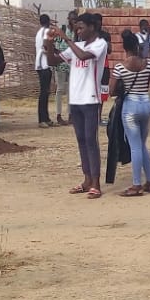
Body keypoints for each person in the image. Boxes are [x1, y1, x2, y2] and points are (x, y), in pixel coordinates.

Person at [43, 13, 109, 198]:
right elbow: (53, 61)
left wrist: (66, 38)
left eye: (81, 28)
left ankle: (96, 182)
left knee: (91, 140)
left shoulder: (100, 44)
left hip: (90, 99)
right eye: (76, 28)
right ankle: (87, 180)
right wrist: (49, 43)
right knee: (81, 140)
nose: (78, 31)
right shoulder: (76, 45)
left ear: (92, 27)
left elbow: (84, 56)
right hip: (76, 100)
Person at [111, 30, 150, 196]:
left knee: (135, 146)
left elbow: (112, 91)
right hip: (146, 105)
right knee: (142, 144)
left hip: (130, 107)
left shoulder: (120, 67)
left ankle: (136, 185)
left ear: (124, 47)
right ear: (137, 46)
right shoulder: (147, 64)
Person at [54, 10, 77, 125]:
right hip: (61, 64)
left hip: (72, 65)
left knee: (70, 90)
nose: (74, 22)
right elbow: (52, 44)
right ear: (69, 19)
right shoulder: (62, 29)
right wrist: (59, 55)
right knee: (60, 89)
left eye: (75, 20)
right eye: (72, 20)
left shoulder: (77, 33)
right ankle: (58, 115)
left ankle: (70, 115)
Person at [35, 14, 55, 128]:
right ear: (48, 21)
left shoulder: (39, 32)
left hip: (41, 64)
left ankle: (45, 118)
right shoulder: (46, 31)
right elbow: (46, 46)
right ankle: (42, 119)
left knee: (45, 92)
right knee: (44, 92)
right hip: (44, 64)